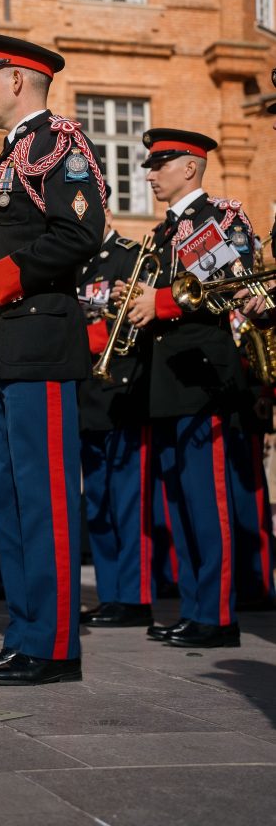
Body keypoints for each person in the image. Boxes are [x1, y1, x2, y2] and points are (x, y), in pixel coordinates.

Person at [0, 33, 106, 685]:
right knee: (13, 499)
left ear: (16, 80)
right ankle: (24, 634)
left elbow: (79, 232)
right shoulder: (12, 154)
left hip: (41, 342)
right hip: (10, 347)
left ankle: (51, 645)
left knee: (41, 501)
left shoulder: (55, 144)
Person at [125, 128, 260, 647]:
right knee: (178, 500)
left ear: (190, 166)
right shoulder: (160, 234)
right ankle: (195, 606)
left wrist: (157, 302)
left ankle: (218, 616)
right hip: (166, 374)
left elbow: (227, 285)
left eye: (160, 164)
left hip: (205, 372)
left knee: (206, 500)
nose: (150, 173)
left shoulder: (219, 217)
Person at [77, 195, 154, 627]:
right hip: (87, 394)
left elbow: (134, 322)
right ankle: (111, 593)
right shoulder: (76, 265)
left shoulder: (130, 257)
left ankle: (135, 594)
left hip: (121, 389)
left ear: (106, 212)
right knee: (99, 503)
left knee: (128, 500)